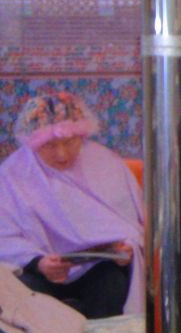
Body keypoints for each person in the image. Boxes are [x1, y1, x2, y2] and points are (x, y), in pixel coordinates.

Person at [0, 93, 144, 318]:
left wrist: (126, 247)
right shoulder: (12, 175)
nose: (62, 154)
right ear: (33, 143)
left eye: (69, 142)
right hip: (39, 270)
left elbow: (134, 223)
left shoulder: (106, 163)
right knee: (18, 291)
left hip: (96, 268)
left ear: (82, 135)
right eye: (49, 145)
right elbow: (5, 238)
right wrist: (38, 263)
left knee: (111, 280)